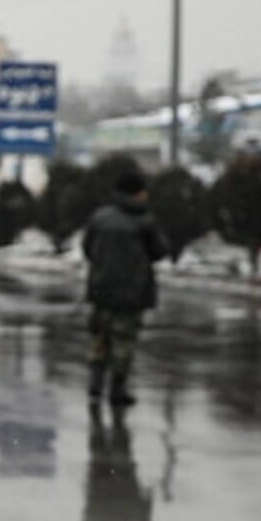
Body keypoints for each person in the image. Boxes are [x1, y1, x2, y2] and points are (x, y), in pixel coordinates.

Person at [80, 170, 167, 408]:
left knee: (100, 338)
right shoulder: (144, 220)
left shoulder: (99, 217)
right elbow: (159, 251)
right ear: (137, 193)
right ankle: (117, 389)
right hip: (132, 292)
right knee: (124, 341)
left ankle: (95, 385)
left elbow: (87, 249)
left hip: (101, 289)